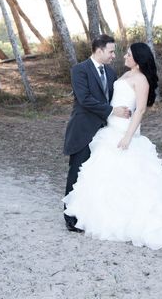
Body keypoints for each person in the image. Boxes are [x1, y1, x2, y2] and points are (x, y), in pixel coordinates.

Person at [63, 42, 162, 249]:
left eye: (128, 54)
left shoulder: (141, 79)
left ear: (137, 58)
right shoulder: (122, 75)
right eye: (119, 52)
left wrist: (128, 136)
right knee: (105, 176)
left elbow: (140, 110)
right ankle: (103, 216)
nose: (123, 56)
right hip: (109, 129)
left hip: (124, 131)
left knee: (132, 177)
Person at [63, 34, 131, 232]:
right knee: (77, 173)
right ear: (99, 50)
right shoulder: (79, 70)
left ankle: (90, 215)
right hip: (83, 130)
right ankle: (70, 218)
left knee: (95, 175)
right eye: (110, 51)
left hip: (105, 132)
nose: (113, 56)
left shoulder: (110, 74)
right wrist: (112, 111)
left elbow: (113, 98)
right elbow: (84, 99)